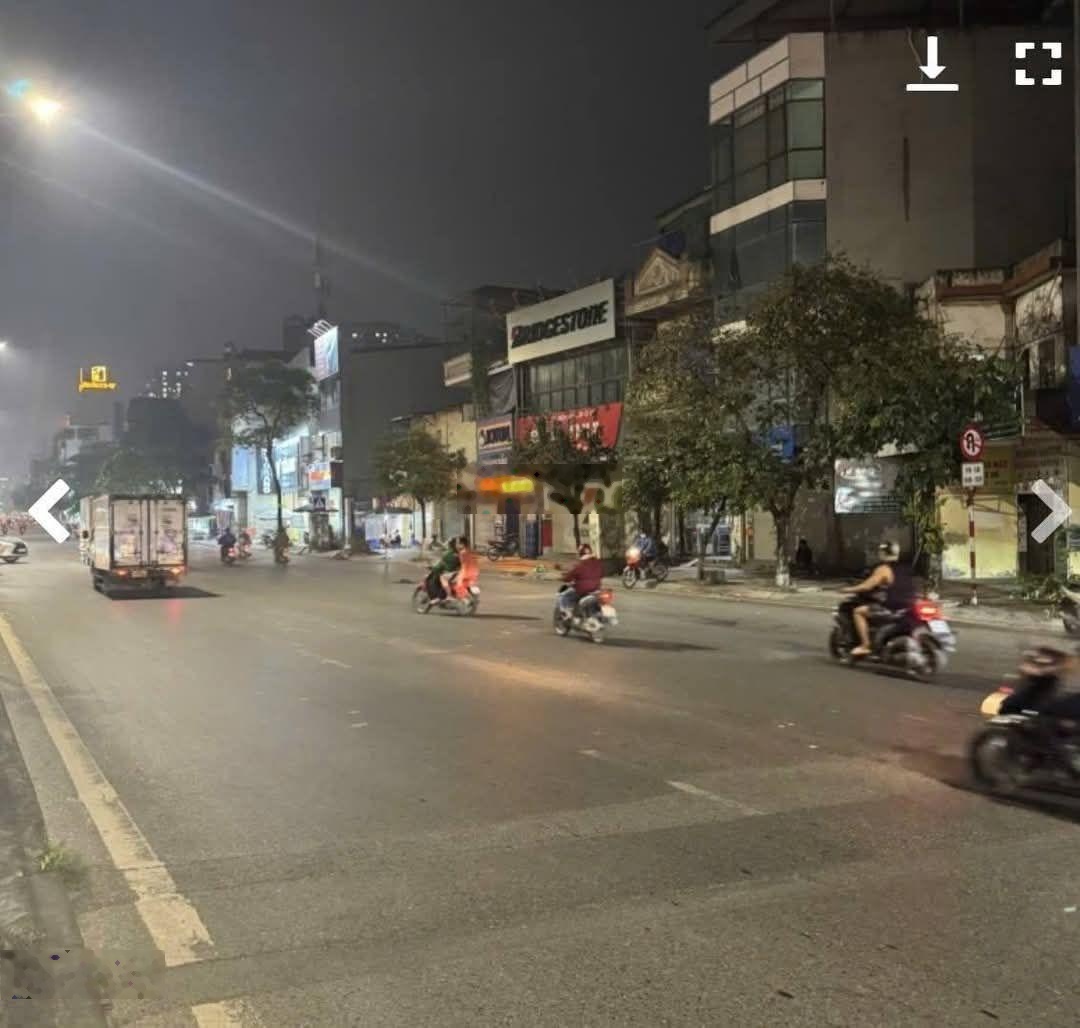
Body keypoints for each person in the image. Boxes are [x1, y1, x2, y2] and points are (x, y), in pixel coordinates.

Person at [844, 541, 911, 657]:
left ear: (884, 553)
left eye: (880, 552)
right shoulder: (904, 568)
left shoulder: (883, 569)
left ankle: (865, 645)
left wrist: (848, 590)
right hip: (906, 606)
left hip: (890, 607)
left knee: (858, 612)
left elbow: (866, 586)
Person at [560, 543, 605, 616]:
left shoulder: (580, 564)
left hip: (582, 590)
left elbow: (569, 576)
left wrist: (564, 578)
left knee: (564, 596)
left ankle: (567, 614)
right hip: (596, 589)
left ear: (580, 553)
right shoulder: (598, 562)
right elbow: (602, 574)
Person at [428, 536, 463, 602]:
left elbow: (441, 565)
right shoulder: (461, 553)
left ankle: (447, 596)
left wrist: (434, 568)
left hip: (451, 573)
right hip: (460, 572)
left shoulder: (448, 554)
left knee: (439, 578)